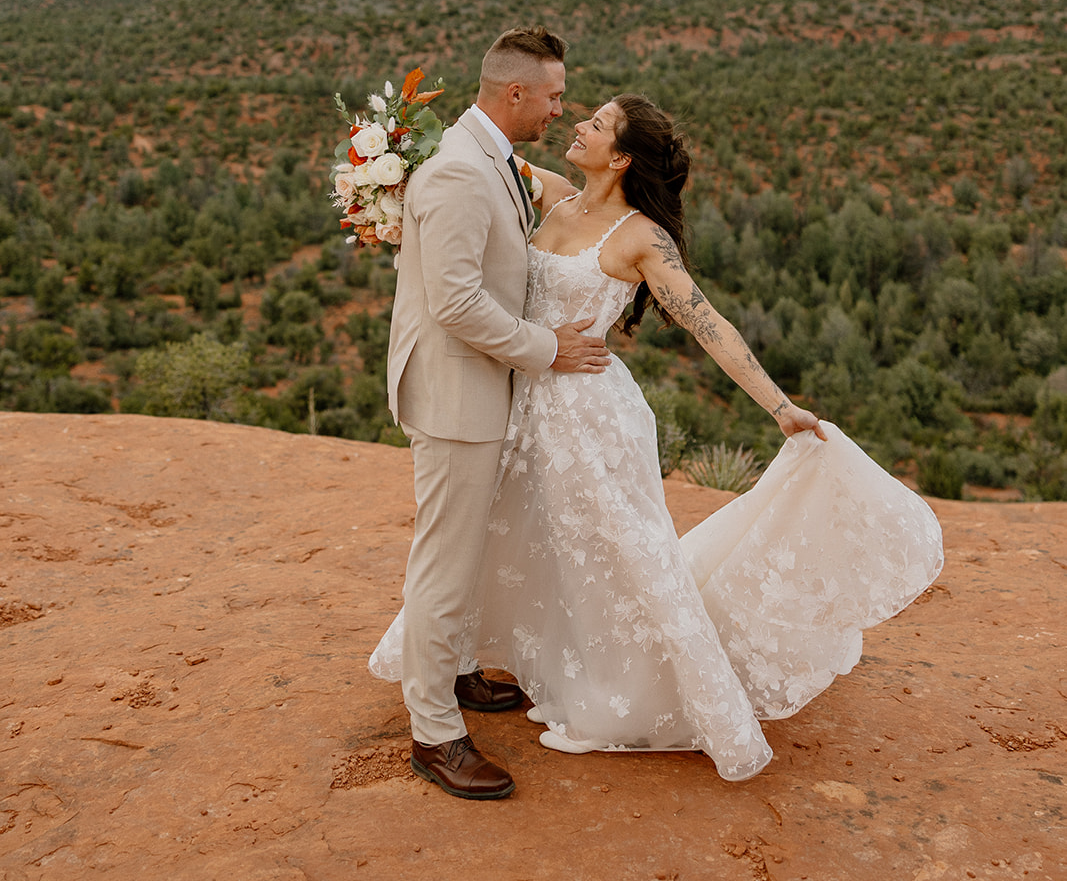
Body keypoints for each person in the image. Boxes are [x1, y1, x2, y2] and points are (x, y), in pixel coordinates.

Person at [372, 92, 943, 783]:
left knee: (608, 552)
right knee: (500, 531)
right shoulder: (546, 193)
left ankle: (627, 694)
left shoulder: (641, 237)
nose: (577, 123)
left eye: (596, 123)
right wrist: (386, 149)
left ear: (619, 157)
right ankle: (463, 662)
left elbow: (709, 324)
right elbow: (468, 157)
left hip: (587, 418)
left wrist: (780, 407)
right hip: (520, 402)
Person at [384, 26, 611, 801]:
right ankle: (433, 733)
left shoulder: (492, 157)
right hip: (454, 392)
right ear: (513, 94)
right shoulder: (455, 173)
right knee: (444, 559)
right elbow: (454, 303)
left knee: (468, 545)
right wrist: (548, 347)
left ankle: (451, 670)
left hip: (482, 386)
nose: (559, 108)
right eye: (552, 96)